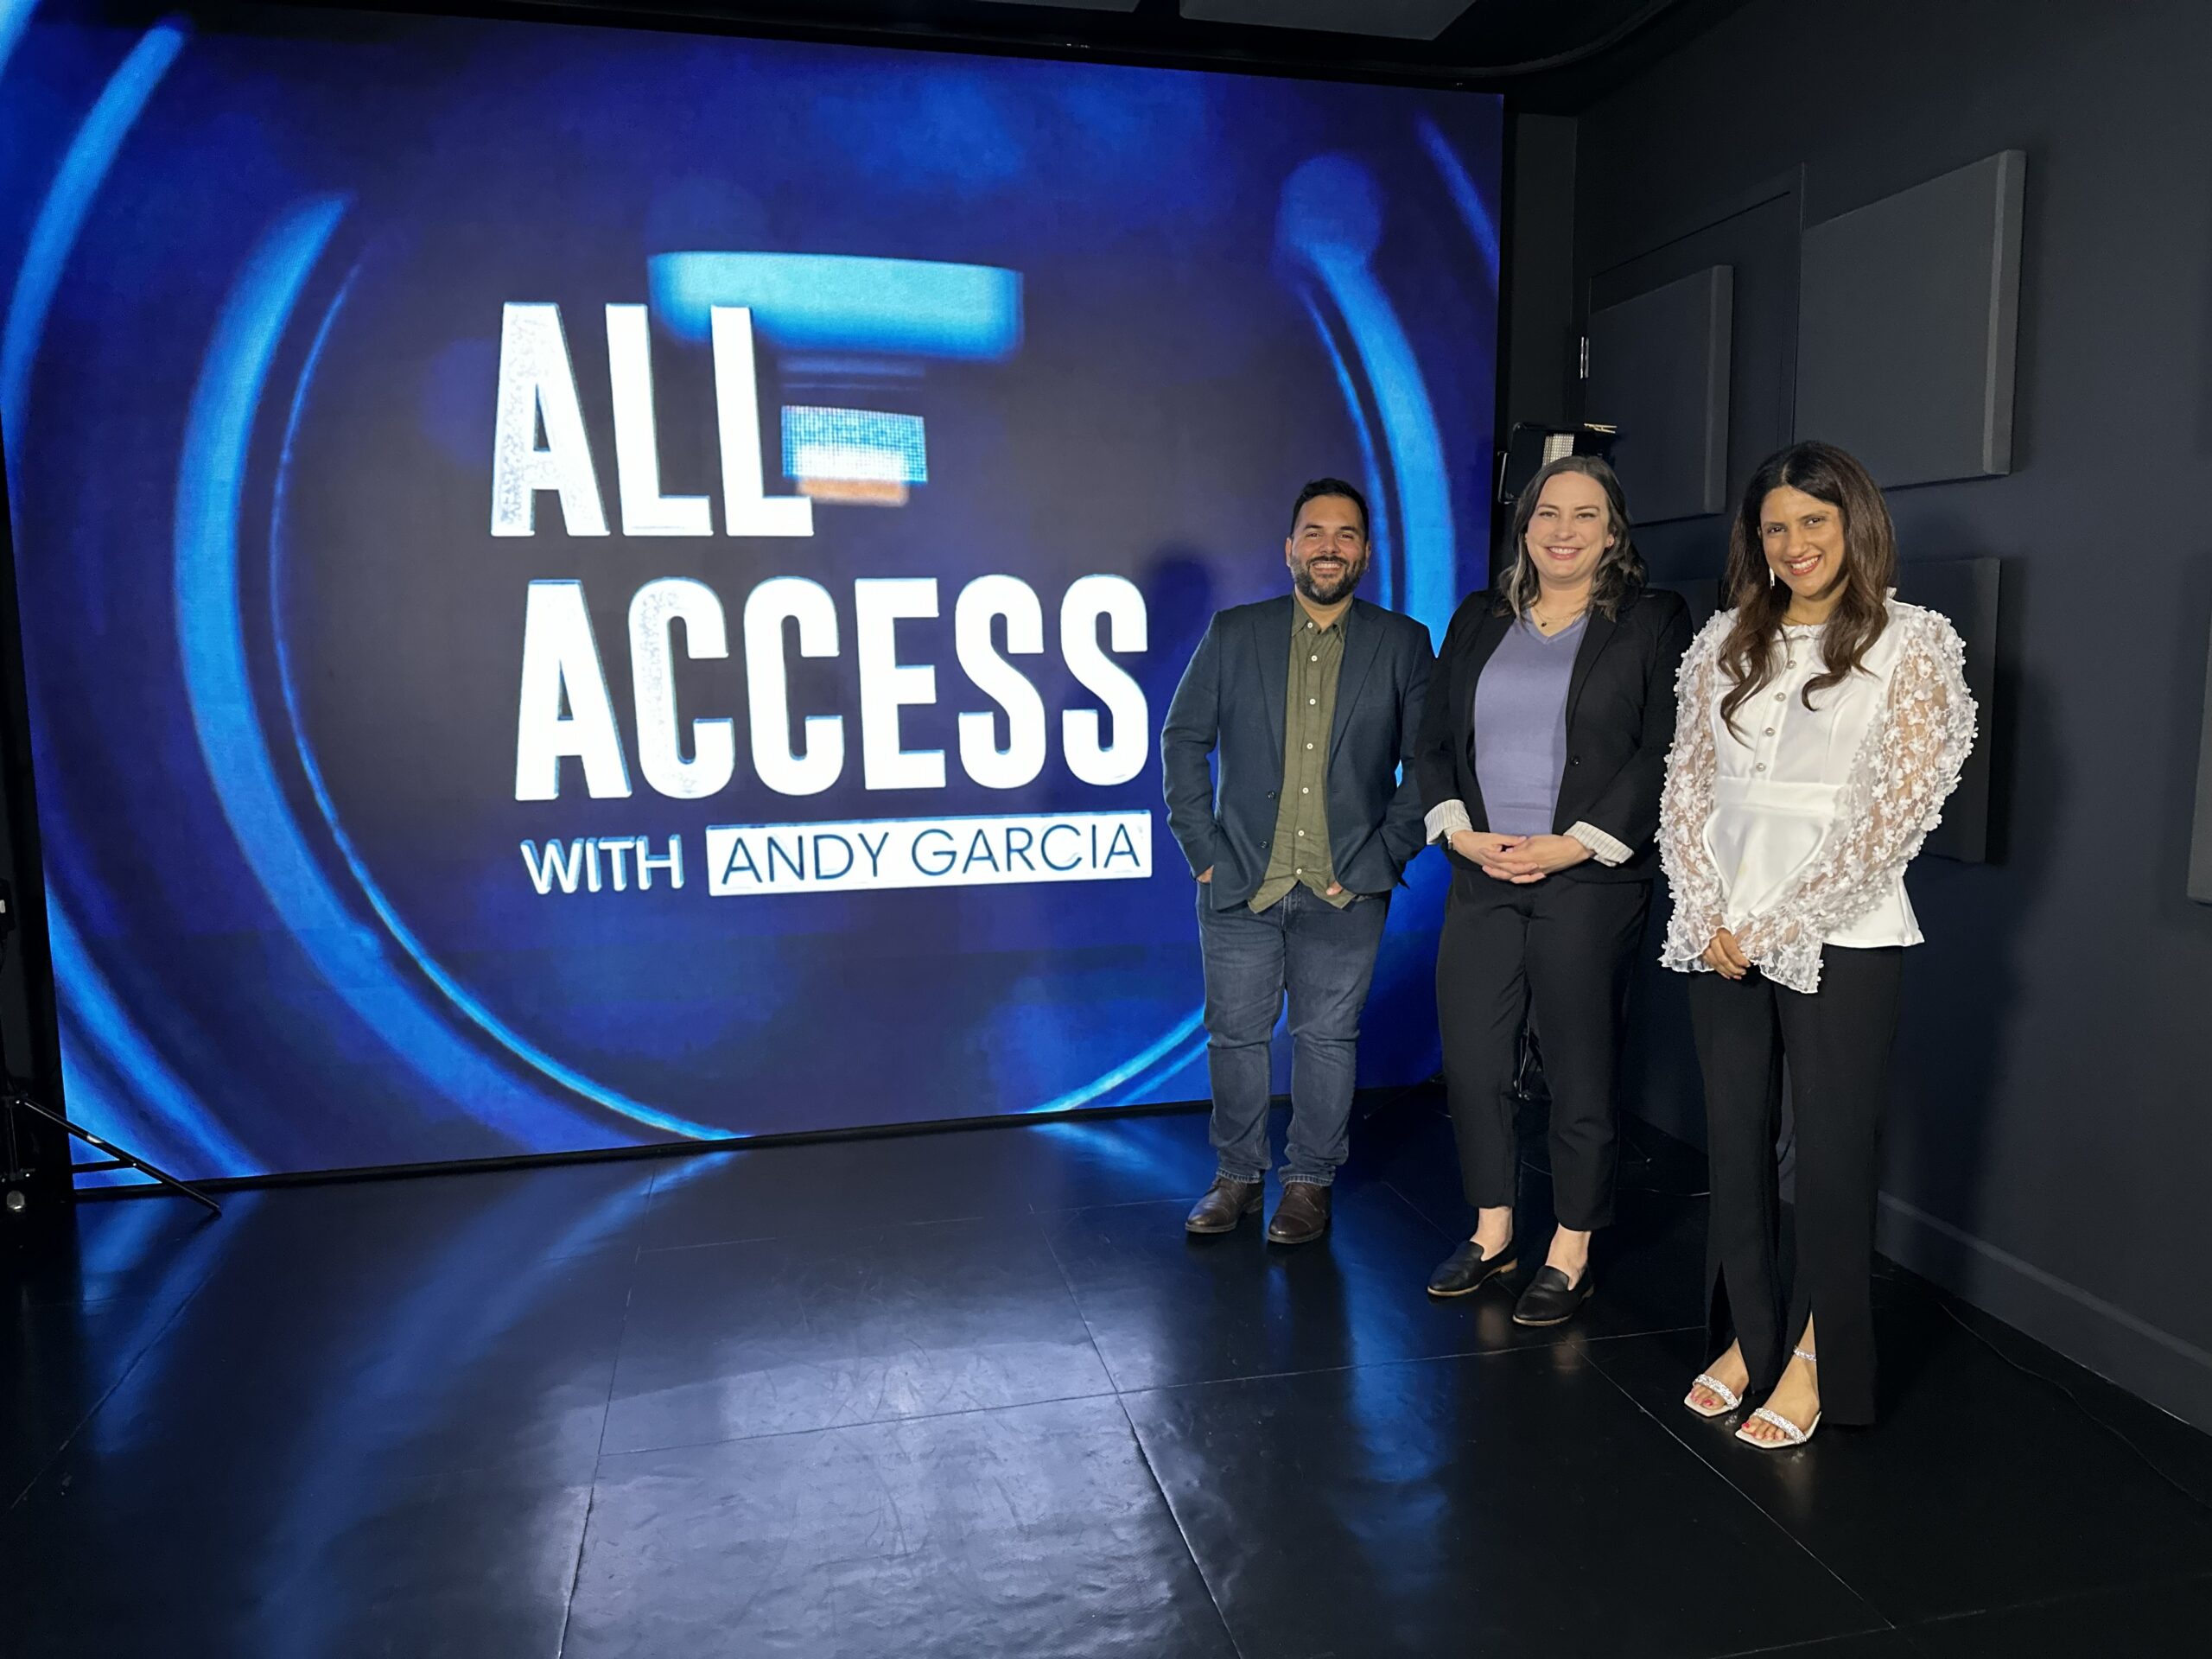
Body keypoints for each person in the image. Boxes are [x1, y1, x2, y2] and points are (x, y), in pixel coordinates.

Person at [1660, 440, 1975, 1446]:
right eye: (1774, 528)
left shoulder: (1912, 643)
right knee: (1735, 1143)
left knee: (1833, 1157)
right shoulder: (1723, 641)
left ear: (1855, 527)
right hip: (1717, 930)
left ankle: (1813, 1355)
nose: (1794, 544)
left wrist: (1779, 922)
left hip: (1841, 929)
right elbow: (1685, 787)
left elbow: (1894, 813)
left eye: (1813, 523)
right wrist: (1709, 909)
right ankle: (1749, 1336)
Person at [1414, 456, 1691, 1325]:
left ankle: (1571, 1246)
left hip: (1589, 882)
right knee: (1474, 1060)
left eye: (1585, 514)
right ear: (1524, 526)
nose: (1563, 531)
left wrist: (1572, 846)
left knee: (1578, 1066)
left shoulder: (1653, 618)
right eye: (1547, 514)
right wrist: (1457, 830)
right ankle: (1492, 1230)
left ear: (1614, 532)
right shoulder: (1477, 617)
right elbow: (1430, 743)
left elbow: (1662, 749)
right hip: (1483, 873)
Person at [1162, 478, 1434, 1244]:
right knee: (1236, 1038)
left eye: (1345, 535)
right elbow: (1183, 739)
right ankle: (1238, 1178)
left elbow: (1429, 762)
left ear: (1366, 552)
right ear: (1289, 548)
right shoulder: (1235, 632)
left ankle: (1309, 1183)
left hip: (1347, 889)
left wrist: (1384, 856)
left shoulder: (1403, 642)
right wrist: (1202, 850)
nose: (1328, 547)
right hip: (1241, 880)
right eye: (1314, 533)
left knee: (1326, 1041)